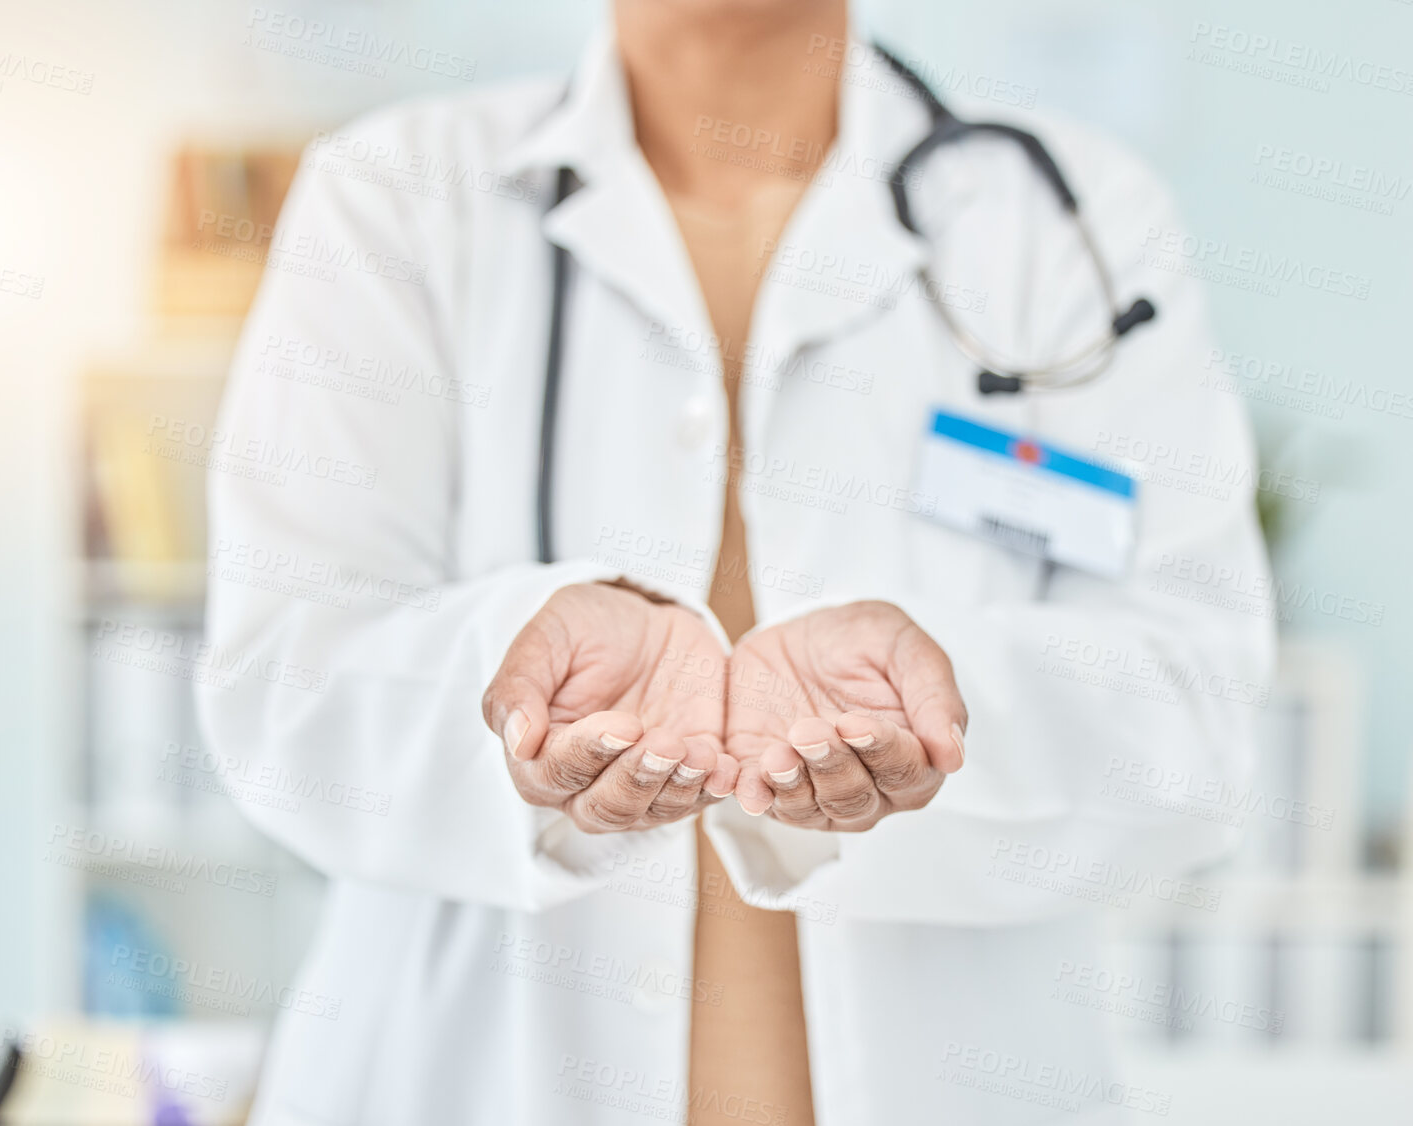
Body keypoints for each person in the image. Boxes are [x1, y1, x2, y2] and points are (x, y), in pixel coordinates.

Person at [197, 0, 1273, 1122]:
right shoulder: (395, 197)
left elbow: (1195, 714)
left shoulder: (1069, 220)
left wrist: (940, 707)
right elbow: (284, 691)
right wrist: (516, 672)